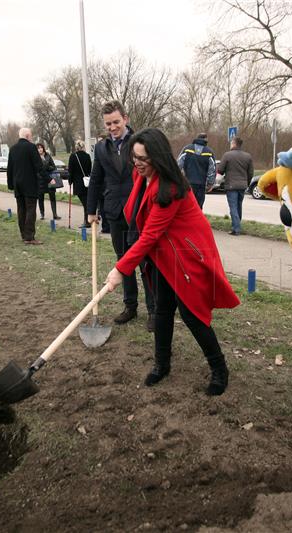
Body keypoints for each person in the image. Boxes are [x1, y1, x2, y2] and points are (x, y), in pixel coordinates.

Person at [105, 128, 240, 395]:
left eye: (143, 158)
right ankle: (162, 364)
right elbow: (138, 217)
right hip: (162, 254)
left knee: (192, 314)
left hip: (185, 255)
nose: (137, 163)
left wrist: (121, 269)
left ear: (158, 157)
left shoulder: (172, 187)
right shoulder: (142, 175)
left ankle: (219, 369)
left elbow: (150, 234)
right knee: (163, 309)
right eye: (135, 157)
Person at [86, 100, 155, 329]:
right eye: (108, 124)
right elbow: (96, 179)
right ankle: (130, 307)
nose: (113, 127)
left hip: (139, 211)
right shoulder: (101, 148)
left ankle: (153, 311)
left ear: (125, 119)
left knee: (145, 263)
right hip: (115, 212)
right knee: (123, 261)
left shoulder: (139, 143)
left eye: (116, 122)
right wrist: (91, 210)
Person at [7, 128, 45, 245]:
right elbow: (38, 166)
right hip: (30, 184)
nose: (32, 137)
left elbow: (10, 169)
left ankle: (23, 235)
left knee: (21, 209)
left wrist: (10, 184)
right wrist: (48, 178)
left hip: (18, 184)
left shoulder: (12, 149)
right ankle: (29, 237)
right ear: (28, 136)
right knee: (30, 209)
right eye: (31, 135)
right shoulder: (31, 147)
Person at [216, 136, 254, 236]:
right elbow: (250, 173)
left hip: (231, 185)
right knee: (238, 206)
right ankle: (237, 225)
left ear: (233, 144)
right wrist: (247, 183)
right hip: (242, 185)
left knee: (233, 207)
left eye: (231, 143)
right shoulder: (248, 156)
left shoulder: (227, 155)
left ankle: (236, 229)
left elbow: (220, 170)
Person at [177, 132, 216, 208]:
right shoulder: (209, 152)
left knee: (187, 206)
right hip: (201, 184)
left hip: (188, 183)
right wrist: (210, 183)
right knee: (198, 206)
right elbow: (212, 170)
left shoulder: (187, 149)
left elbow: (178, 164)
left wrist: (177, 179)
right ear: (206, 140)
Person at [67, 139, 92, 228]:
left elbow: (70, 171)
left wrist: (70, 181)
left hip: (78, 183)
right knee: (86, 202)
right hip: (86, 182)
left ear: (76, 147)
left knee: (85, 203)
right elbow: (89, 169)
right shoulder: (87, 156)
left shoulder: (73, 156)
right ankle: (88, 220)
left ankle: (87, 221)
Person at [36, 143, 60, 220]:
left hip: (50, 179)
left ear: (43, 148)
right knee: (40, 198)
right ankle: (42, 214)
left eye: (41, 147)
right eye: (38, 148)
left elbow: (53, 166)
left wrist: (46, 166)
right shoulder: (35, 157)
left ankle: (55, 214)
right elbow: (36, 169)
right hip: (40, 180)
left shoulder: (48, 156)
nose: (40, 149)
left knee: (52, 197)